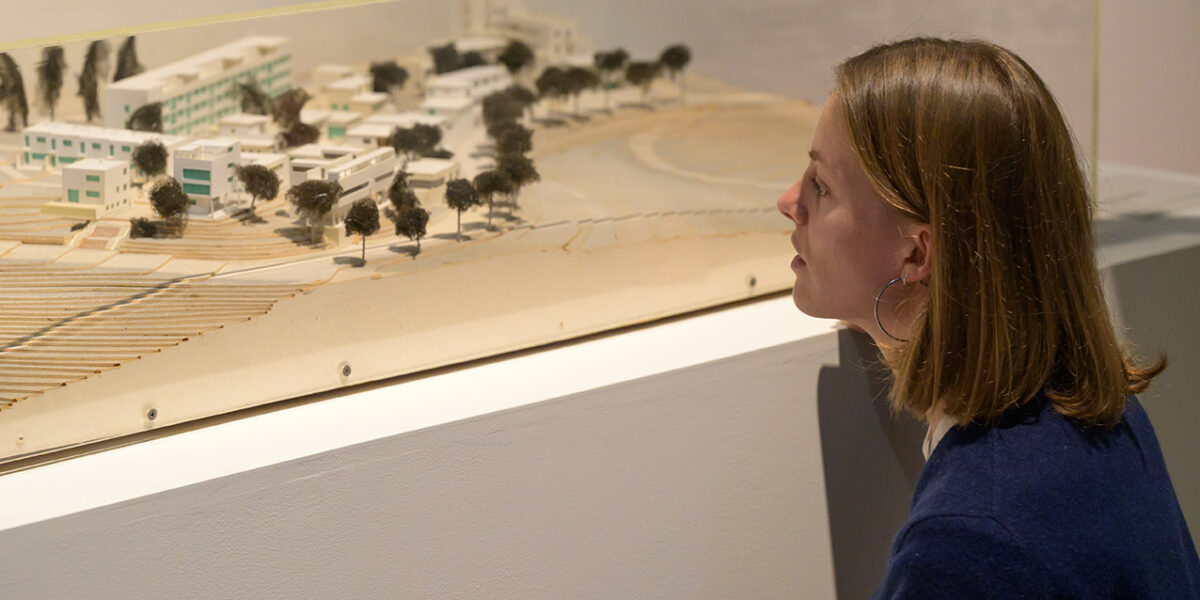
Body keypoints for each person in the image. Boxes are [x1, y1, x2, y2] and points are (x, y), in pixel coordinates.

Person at [777, 37, 1200, 598]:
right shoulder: (1104, 412)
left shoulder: (967, 544)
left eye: (822, 186)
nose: (790, 201)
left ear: (916, 255)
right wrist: (886, 321)